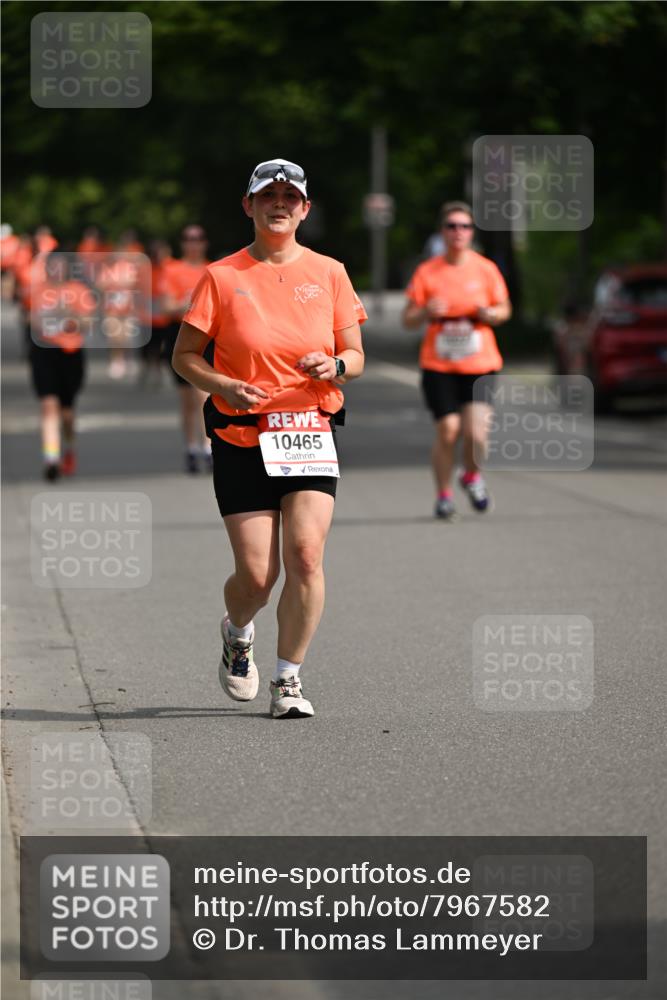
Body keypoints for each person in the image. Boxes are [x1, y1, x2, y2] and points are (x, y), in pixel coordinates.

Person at [172, 159, 366, 717]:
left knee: (305, 556)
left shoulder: (329, 272)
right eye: (268, 196)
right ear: (249, 206)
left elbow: (354, 356)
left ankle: (288, 681)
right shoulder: (221, 277)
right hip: (241, 436)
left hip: (308, 429)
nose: (279, 204)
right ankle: (238, 632)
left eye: (290, 196)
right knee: (258, 576)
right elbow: (184, 358)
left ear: (305, 208)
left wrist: (334, 365)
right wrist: (224, 382)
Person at [403, 201, 511, 519]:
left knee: (477, 434)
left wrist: (492, 314)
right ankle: (444, 495)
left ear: (472, 232)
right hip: (439, 365)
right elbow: (407, 319)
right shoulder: (428, 271)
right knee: (449, 430)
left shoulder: (485, 269)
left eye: (464, 226)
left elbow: (505, 309)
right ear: (442, 232)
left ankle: (472, 475)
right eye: (452, 226)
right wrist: (425, 312)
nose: (458, 232)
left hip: (481, 363)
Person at [28, 251, 94, 479]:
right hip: (44, 352)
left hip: (70, 354)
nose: (55, 270)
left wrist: (70, 312)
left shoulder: (78, 291)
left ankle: (68, 447)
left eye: (60, 266)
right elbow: (34, 320)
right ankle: (51, 458)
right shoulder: (39, 290)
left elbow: (87, 323)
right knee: (48, 404)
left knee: (66, 413)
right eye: (51, 266)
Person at [163, 224, 211, 472]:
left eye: (198, 238)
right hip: (179, 335)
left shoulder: (212, 270)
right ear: (182, 243)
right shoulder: (173, 270)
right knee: (187, 399)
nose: (194, 243)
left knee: (204, 394)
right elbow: (167, 307)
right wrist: (189, 304)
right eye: (188, 238)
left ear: (205, 242)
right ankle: (191, 448)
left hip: (207, 336)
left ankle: (208, 447)